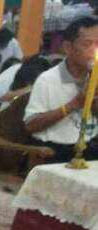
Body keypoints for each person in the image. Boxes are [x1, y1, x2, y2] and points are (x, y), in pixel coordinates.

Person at [25, 17, 98, 163]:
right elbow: (31, 125)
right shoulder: (47, 80)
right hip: (54, 150)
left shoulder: (94, 77)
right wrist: (73, 104)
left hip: (90, 145)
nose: (94, 50)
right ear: (68, 47)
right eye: (87, 44)